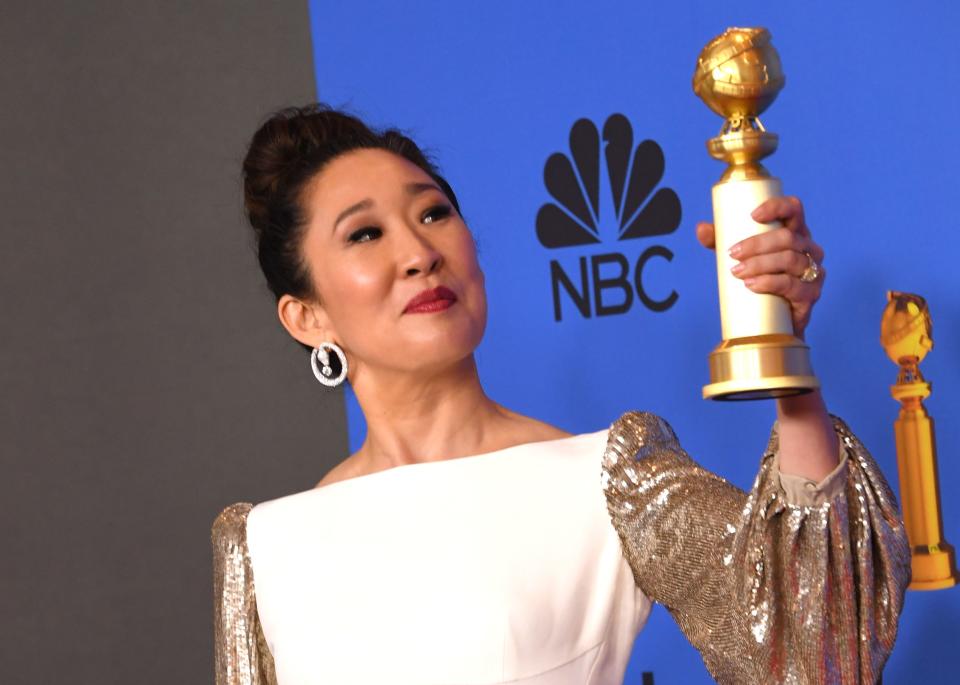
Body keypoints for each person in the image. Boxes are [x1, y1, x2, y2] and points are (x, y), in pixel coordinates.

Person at [211, 103, 910, 685]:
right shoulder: (267, 546)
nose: (419, 252)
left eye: (432, 214)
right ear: (307, 316)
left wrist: (786, 362)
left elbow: (817, 659)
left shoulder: (610, 478)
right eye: (365, 233)